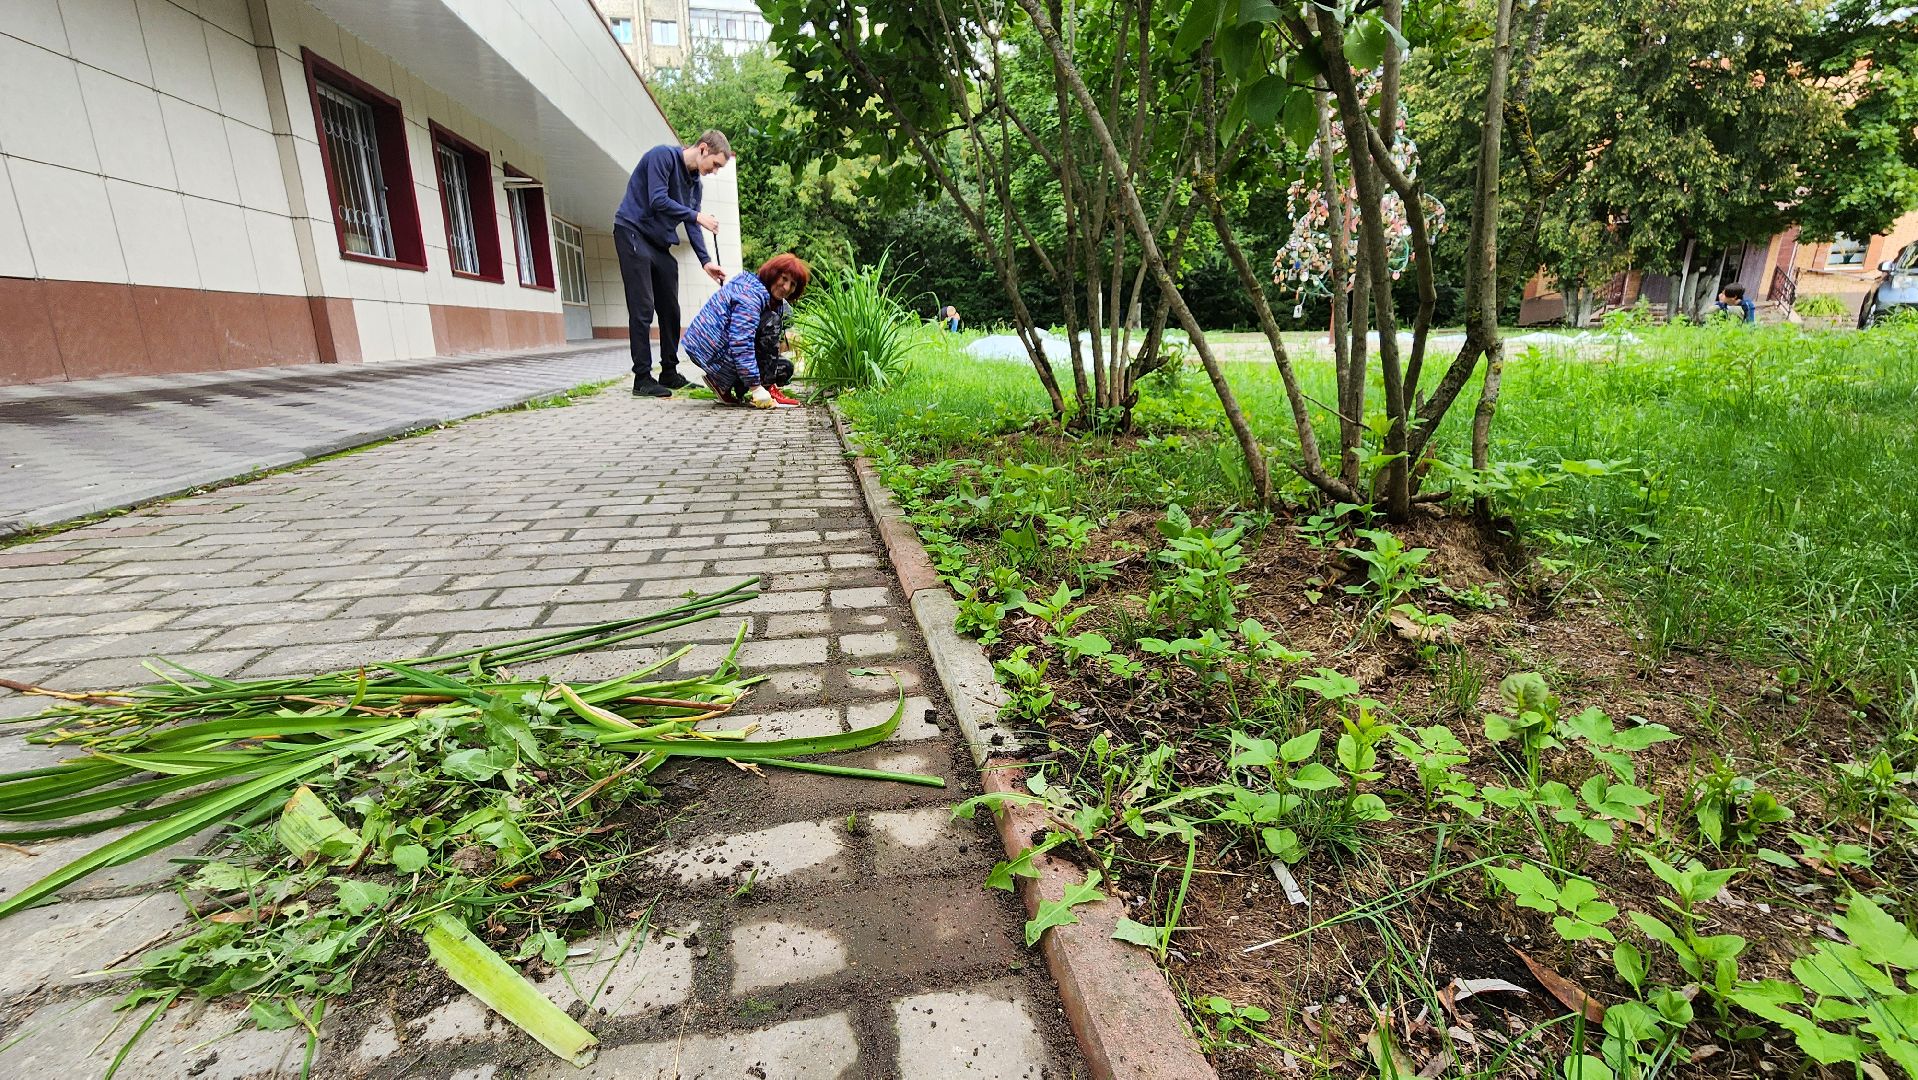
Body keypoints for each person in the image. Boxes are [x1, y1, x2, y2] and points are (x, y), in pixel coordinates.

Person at [614, 131, 732, 398]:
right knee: (643, 307)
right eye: (715, 164)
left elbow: (692, 222)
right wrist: (698, 215)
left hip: (659, 243)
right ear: (703, 148)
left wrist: (706, 261)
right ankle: (642, 378)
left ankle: (669, 371)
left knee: (671, 309)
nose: (714, 172)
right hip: (632, 231)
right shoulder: (662, 157)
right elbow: (658, 199)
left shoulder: (694, 184)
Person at [683, 254, 811, 410]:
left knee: (784, 368)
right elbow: (740, 342)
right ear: (773, 274)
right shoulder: (750, 295)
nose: (786, 287)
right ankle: (767, 389)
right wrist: (756, 388)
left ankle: (722, 385)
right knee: (772, 321)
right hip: (713, 351)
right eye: (784, 279)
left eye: (792, 284)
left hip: (718, 352)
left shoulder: (766, 296)